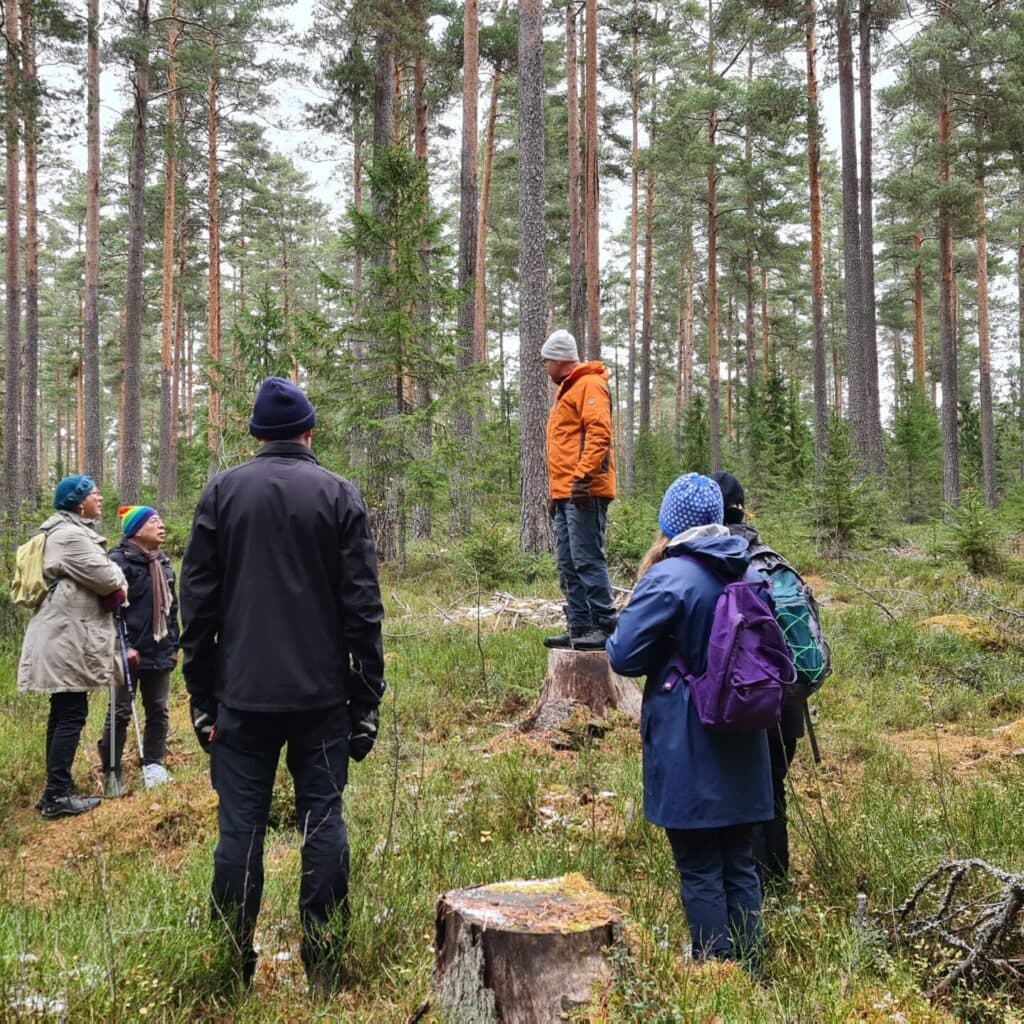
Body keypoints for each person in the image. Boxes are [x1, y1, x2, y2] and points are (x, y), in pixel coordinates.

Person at [180, 377, 386, 995]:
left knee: (238, 831)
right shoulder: (337, 494)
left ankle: (230, 965)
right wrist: (366, 698)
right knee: (324, 824)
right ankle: (323, 966)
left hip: (240, 701)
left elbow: (198, 605)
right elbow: (363, 606)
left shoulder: (223, 492)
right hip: (322, 701)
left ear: (257, 435)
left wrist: (201, 697)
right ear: (309, 431)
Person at [606, 473, 771, 966]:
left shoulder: (669, 578)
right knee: (741, 862)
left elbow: (623, 655)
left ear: (671, 524)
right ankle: (750, 966)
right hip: (744, 735)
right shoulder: (750, 569)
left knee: (699, 865)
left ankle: (714, 970)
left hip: (688, 737)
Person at [712, 470, 804, 889]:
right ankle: (778, 882)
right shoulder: (770, 558)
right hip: (786, 705)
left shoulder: (718, 563)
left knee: (744, 797)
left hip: (746, 702)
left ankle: (755, 891)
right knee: (773, 792)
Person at [17, 476, 128, 819]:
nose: (101, 498)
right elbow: (108, 578)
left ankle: (56, 789)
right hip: (65, 637)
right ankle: (57, 794)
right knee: (71, 713)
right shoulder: (69, 536)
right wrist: (118, 574)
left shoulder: (66, 532)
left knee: (64, 710)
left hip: (65, 635)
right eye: (95, 494)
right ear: (79, 502)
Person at [541, 329, 617, 650]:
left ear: (560, 360)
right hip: (567, 493)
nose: (545, 366)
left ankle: (604, 626)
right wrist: (557, 493)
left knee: (586, 558)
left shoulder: (589, 384)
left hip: (585, 490)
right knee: (568, 562)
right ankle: (579, 626)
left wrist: (583, 478)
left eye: (547, 360)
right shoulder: (568, 390)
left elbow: (599, 432)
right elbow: (568, 445)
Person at [98, 505, 180, 796]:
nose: (161, 525)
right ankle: (111, 771)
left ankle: (154, 766)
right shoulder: (117, 563)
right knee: (120, 711)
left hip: (159, 650)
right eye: (154, 521)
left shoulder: (164, 562)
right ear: (136, 529)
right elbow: (108, 613)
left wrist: (174, 645)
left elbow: (172, 609)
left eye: (160, 519)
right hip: (128, 653)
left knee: (158, 709)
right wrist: (124, 647)